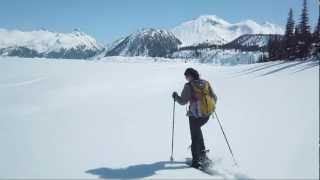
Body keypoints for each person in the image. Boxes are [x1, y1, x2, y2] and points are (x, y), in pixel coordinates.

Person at [172, 68, 217, 168]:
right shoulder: (206, 83)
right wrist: (210, 106)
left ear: (191, 76)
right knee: (198, 132)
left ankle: (196, 162)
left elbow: (183, 101)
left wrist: (175, 97)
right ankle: (203, 154)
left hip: (194, 116)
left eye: (186, 76)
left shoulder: (188, 86)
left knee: (195, 137)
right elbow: (214, 97)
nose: (186, 78)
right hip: (207, 115)